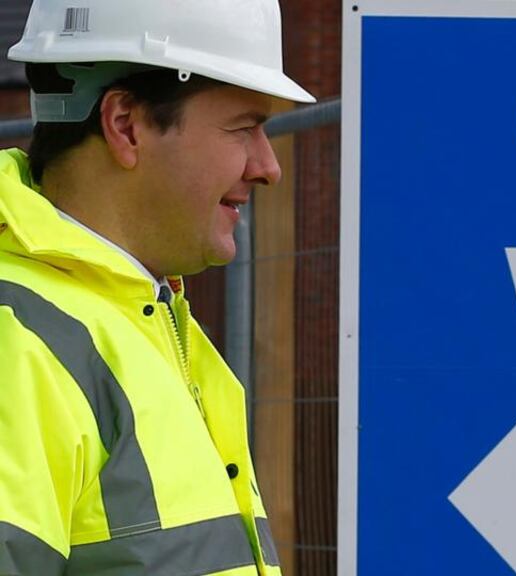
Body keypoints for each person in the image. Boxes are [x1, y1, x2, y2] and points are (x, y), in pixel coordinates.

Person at [0, 0, 314, 573]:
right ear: (125, 125)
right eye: (244, 127)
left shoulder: (142, 319)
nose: (268, 166)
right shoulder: (19, 343)